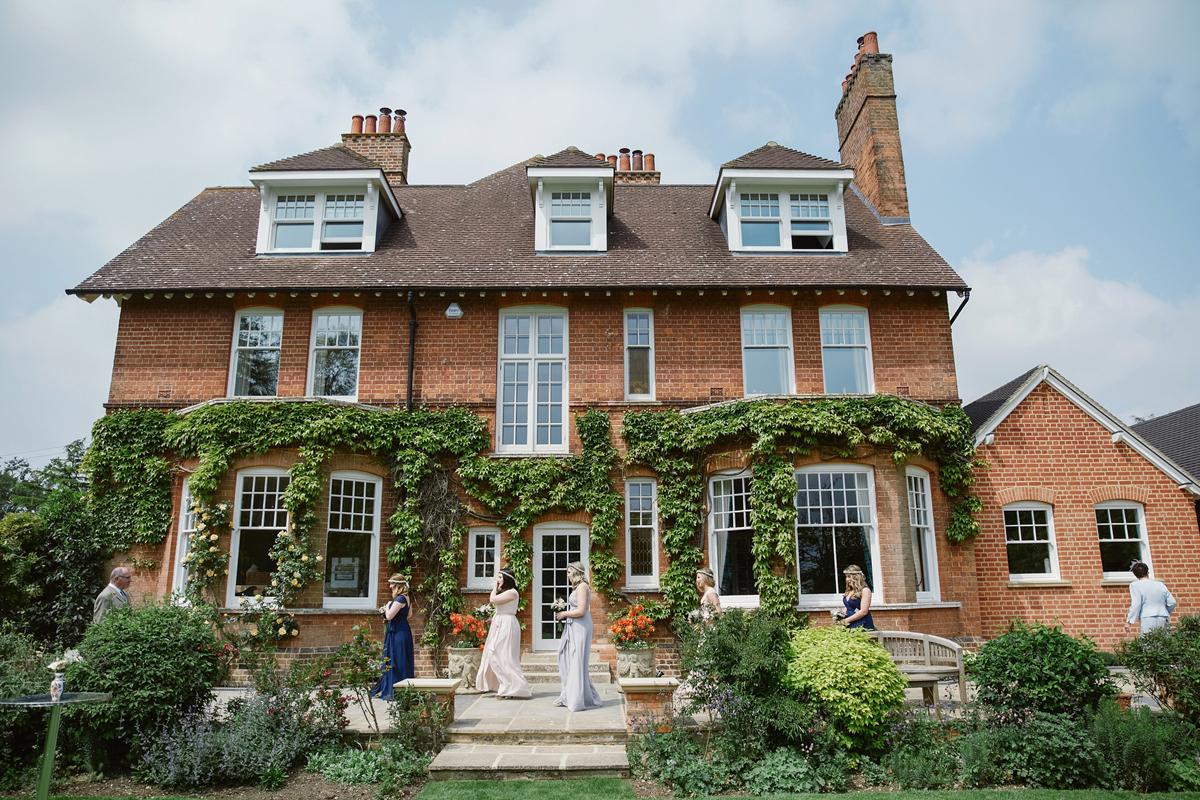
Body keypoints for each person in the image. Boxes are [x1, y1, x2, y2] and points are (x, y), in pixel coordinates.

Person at [554, 561, 602, 711]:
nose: (567, 575)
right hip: (574, 625)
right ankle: (571, 695)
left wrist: (564, 614)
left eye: (569, 572)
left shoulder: (582, 587)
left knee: (577, 660)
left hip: (581, 626)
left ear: (576, 572)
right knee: (569, 658)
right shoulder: (578, 587)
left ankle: (577, 699)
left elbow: (581, 610)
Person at [476, 568, 531, 699]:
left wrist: (495, 587)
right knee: (497, 654)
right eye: (498, 577)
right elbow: (500, 607)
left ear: (506, 579)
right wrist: (494, 618)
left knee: (500, 654)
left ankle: (514, 687)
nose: (498, 580)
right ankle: (506, 687)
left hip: (507, 625)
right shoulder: (506, 592)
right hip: (500, 622)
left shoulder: (512, 592)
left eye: (500, 577)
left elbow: (492, 599)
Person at [372, 574, 415, 699]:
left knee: (396, 658)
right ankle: (405, 687)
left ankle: (394, 689)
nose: (390, 586)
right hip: (404, 629)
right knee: (403, 658)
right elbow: (410, 615)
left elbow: (389, 616)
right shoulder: (407, 598)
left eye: (392, 584)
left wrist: (387, 607)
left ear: (397, 585)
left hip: (397, 632)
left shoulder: (399, 599)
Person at [1125, 561, 1177, 636]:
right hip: (1163, 617)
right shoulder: (1160, 584)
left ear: (1135, 574)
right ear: (1147, 572)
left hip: (1147, 617)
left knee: (1149, 644)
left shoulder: (1135, 585)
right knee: (1164, 644)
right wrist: (1165, 612)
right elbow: (1172, 602)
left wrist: (1129, 621)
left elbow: (1136, 604)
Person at [841, 564, 875, 630]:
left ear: (856, 577)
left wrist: (846, 620)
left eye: (849, 577)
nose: (847, 579)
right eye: (846, 577)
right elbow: (847, 607)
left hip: (861, 623)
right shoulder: (849, 590)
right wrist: (840, 617)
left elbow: (864, 611)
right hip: (848, 623)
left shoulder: (865, 590)